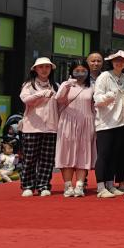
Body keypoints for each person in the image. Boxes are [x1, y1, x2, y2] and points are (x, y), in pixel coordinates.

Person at [93, 51, 124, 198]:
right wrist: (108, 97)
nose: (119, 63)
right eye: (116, 60)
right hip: (105, 122)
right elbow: (97, 99)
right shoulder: (104, 76)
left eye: (122, 61)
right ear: (111, 62)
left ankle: (110, 184)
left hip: (121, 122)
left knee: (114, 155)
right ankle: (100, 186)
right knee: (103, 154)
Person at [54, 60, 96, 198]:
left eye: (83, 71)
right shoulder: (66, 85)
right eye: (77, 71)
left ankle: (79, 185)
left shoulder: (92, 87)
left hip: (86, 122)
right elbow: (58, 98)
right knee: (67, 153)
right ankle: (68, 186)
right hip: (68, 122)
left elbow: (94, 107)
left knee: (83, 153)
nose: (80, 73)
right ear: (71, 71)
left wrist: (95, 125)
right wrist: (67, 84)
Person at [18, 56, 59, 197]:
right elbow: (25, 99)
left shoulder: (56, 85)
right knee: (30, 158)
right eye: (41, 67)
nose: (44, 70)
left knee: (47, 159)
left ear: (51, 69)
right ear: (35, 69)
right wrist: (40, 94)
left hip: (51, 127)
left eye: (47, 67)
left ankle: (44, 185)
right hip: (32, 127)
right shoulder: (29, 85)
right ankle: (28, 185)